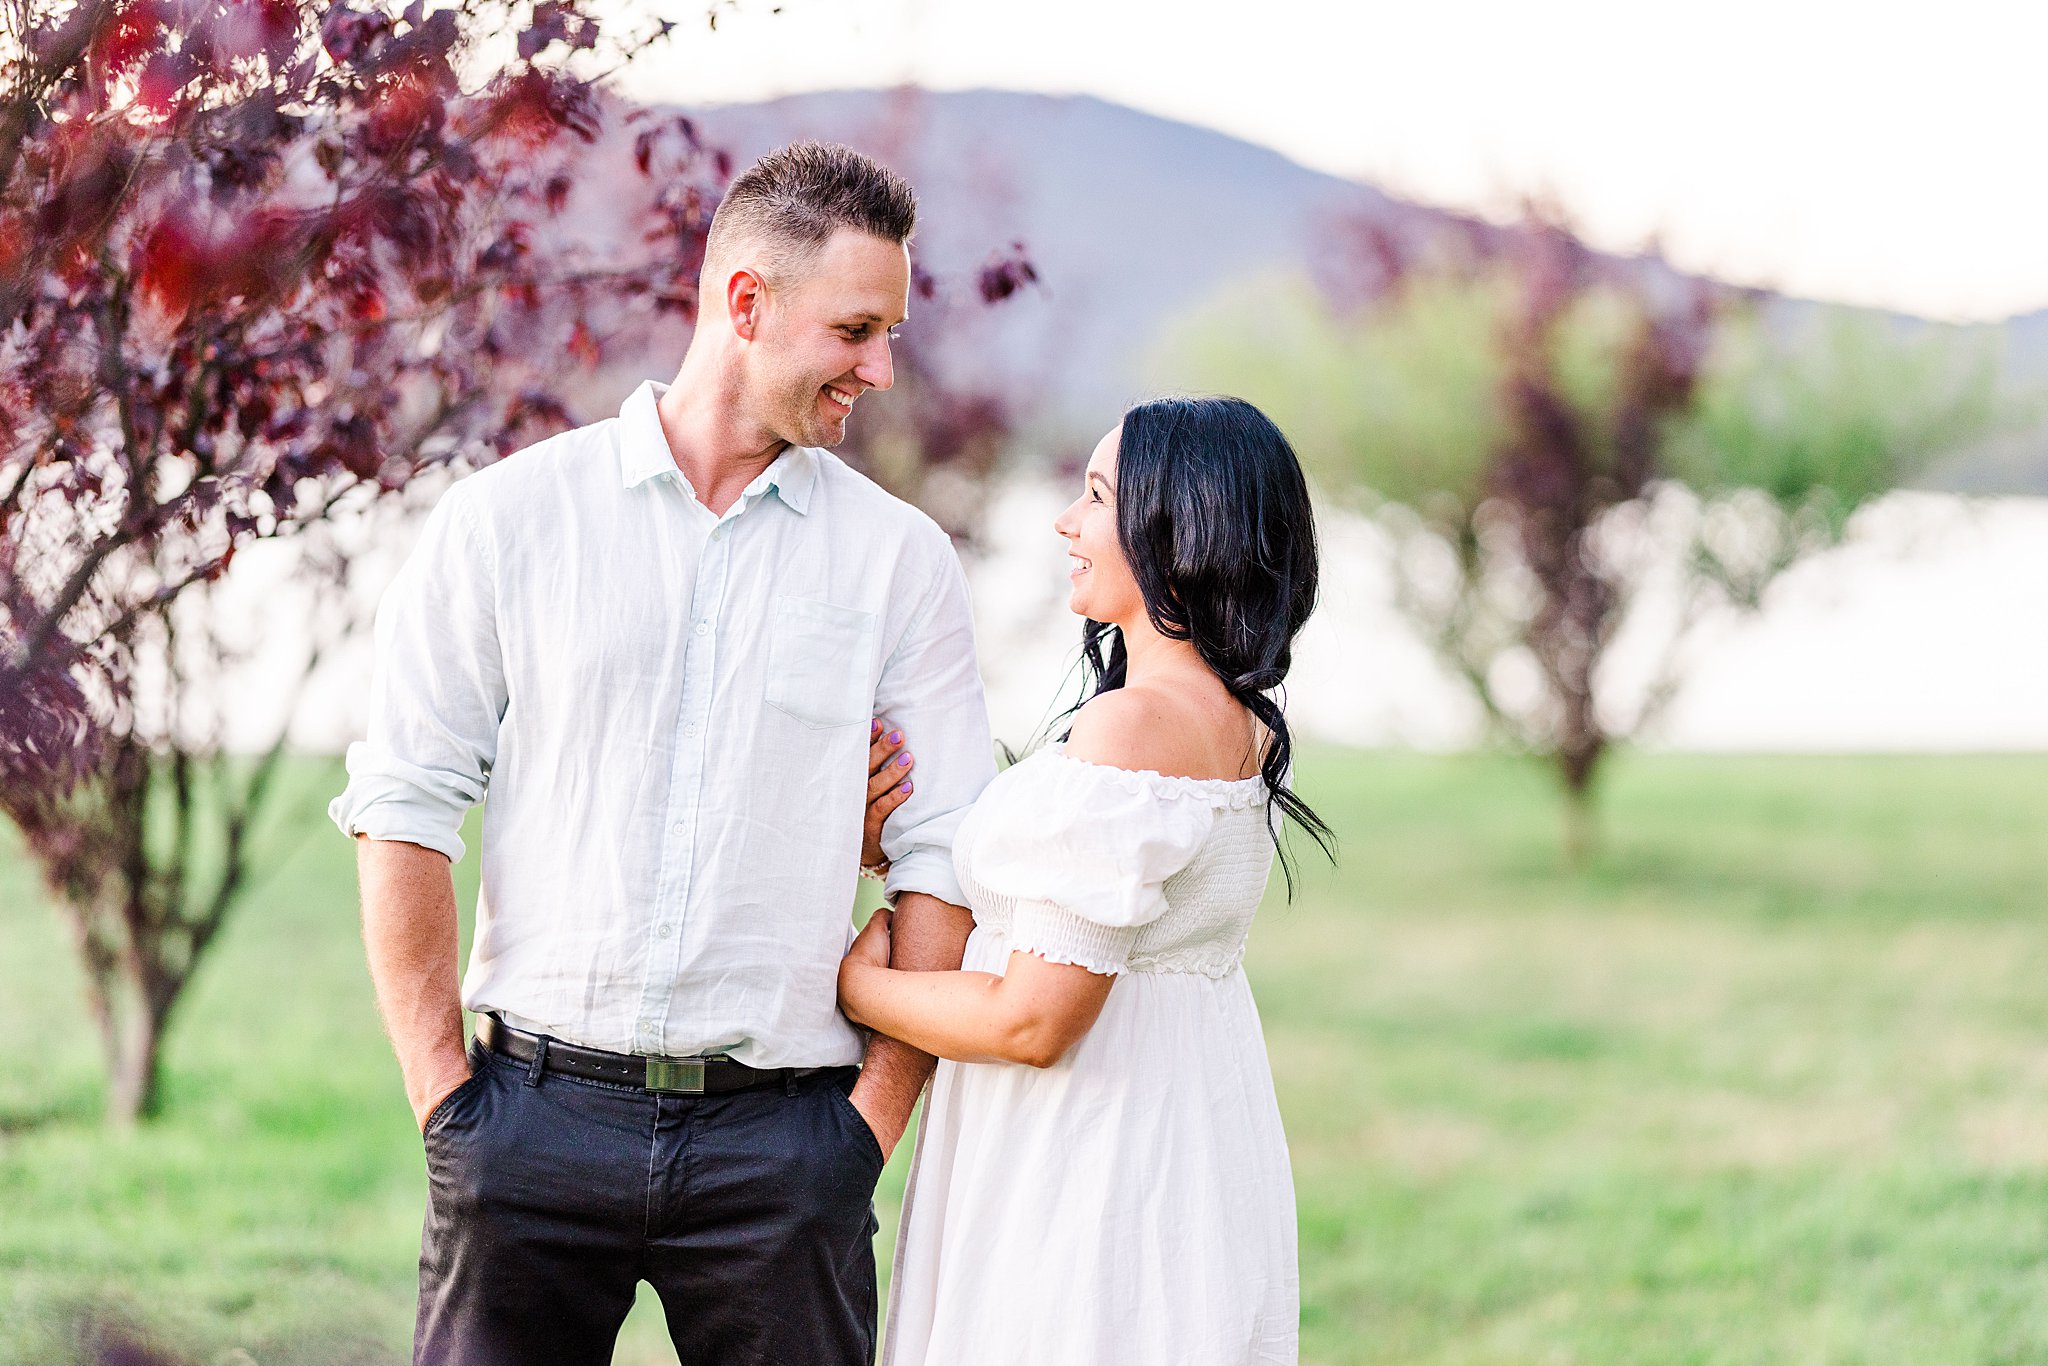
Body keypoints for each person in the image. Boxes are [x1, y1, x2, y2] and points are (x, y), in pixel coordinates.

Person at [327, 142, 995, 1366]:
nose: (881, 368)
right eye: (855, 328)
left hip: (786, 1148)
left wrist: (864, 1130)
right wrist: (447, 1108)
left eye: (889, 331)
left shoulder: (899, 565)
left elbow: (945, 852)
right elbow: (404, 805)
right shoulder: (507, 522)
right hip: (525, 1126)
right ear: (745, 301)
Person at [841, 396, 1333, 1366]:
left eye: (1097, 495)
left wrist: (855, 984)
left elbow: (1033, 1019)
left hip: (1090, 1158)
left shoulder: (1135, 724)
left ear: (1176, 526)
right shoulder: (1239, 716)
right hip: (1173, 1129)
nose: (1066, 520)